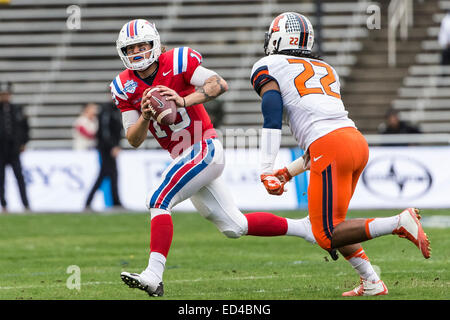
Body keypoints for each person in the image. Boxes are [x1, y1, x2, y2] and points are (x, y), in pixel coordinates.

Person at [111, 19, 318, 297]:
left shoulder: (178, 60)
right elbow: (133, 140)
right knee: (235, 226)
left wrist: (183, 100)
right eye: (131, 47)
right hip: (183, 155)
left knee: (158, 200)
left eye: (142, 45)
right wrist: (146, 117)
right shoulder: (123, 85)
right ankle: (306, 228)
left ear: (155, 44)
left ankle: (153, 275)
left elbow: (218, 84)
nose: (137, 51)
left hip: (203, 147)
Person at [250, 12, 431, 296]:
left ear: (278, 37)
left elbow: (271, 106)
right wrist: (286, 172)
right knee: (335, 226)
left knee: (325, 233)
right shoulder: (326, 68)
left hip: (331, 146)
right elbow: (321, 133)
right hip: (353, 141)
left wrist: (266, 166)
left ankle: (399, 222)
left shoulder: (269, 64)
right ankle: (372, 281)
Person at [84, 101, 124, 211]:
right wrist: (113, 146)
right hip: (106, 148)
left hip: (109, 147)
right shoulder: (107, 110)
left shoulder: (114, 110)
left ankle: (115, 201)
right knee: (106, 174)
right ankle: (90, 201)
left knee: (110, 174)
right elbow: (106, 131)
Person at [0, 81, 30, 212]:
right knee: (1, 179)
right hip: (1, 150)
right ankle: (4, 204)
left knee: (20, 177)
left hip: (14, 149)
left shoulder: (17, 109)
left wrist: (24, 142)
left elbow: (25, 128)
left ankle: (25, 204)